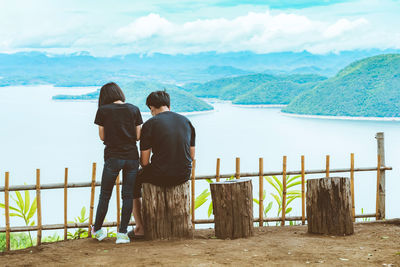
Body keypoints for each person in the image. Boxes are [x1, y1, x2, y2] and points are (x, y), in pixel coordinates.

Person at [129, 90, 195, 239]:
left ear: (151, 107)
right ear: (168, 105)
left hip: (161, 175)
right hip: (184, 174)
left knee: (132, 181)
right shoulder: (186, 121)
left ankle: (140, 228)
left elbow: (145, 162)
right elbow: (191, 156)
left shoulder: (150, 124)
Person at [91, 82, 143, 244]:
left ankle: (97, 230)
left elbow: (102, 136)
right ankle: (122, 234)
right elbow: (138, 135)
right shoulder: (134, 109)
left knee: (105, 194)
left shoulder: (103, 111)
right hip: (131, 157)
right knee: (128, 195)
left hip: (113, 157)